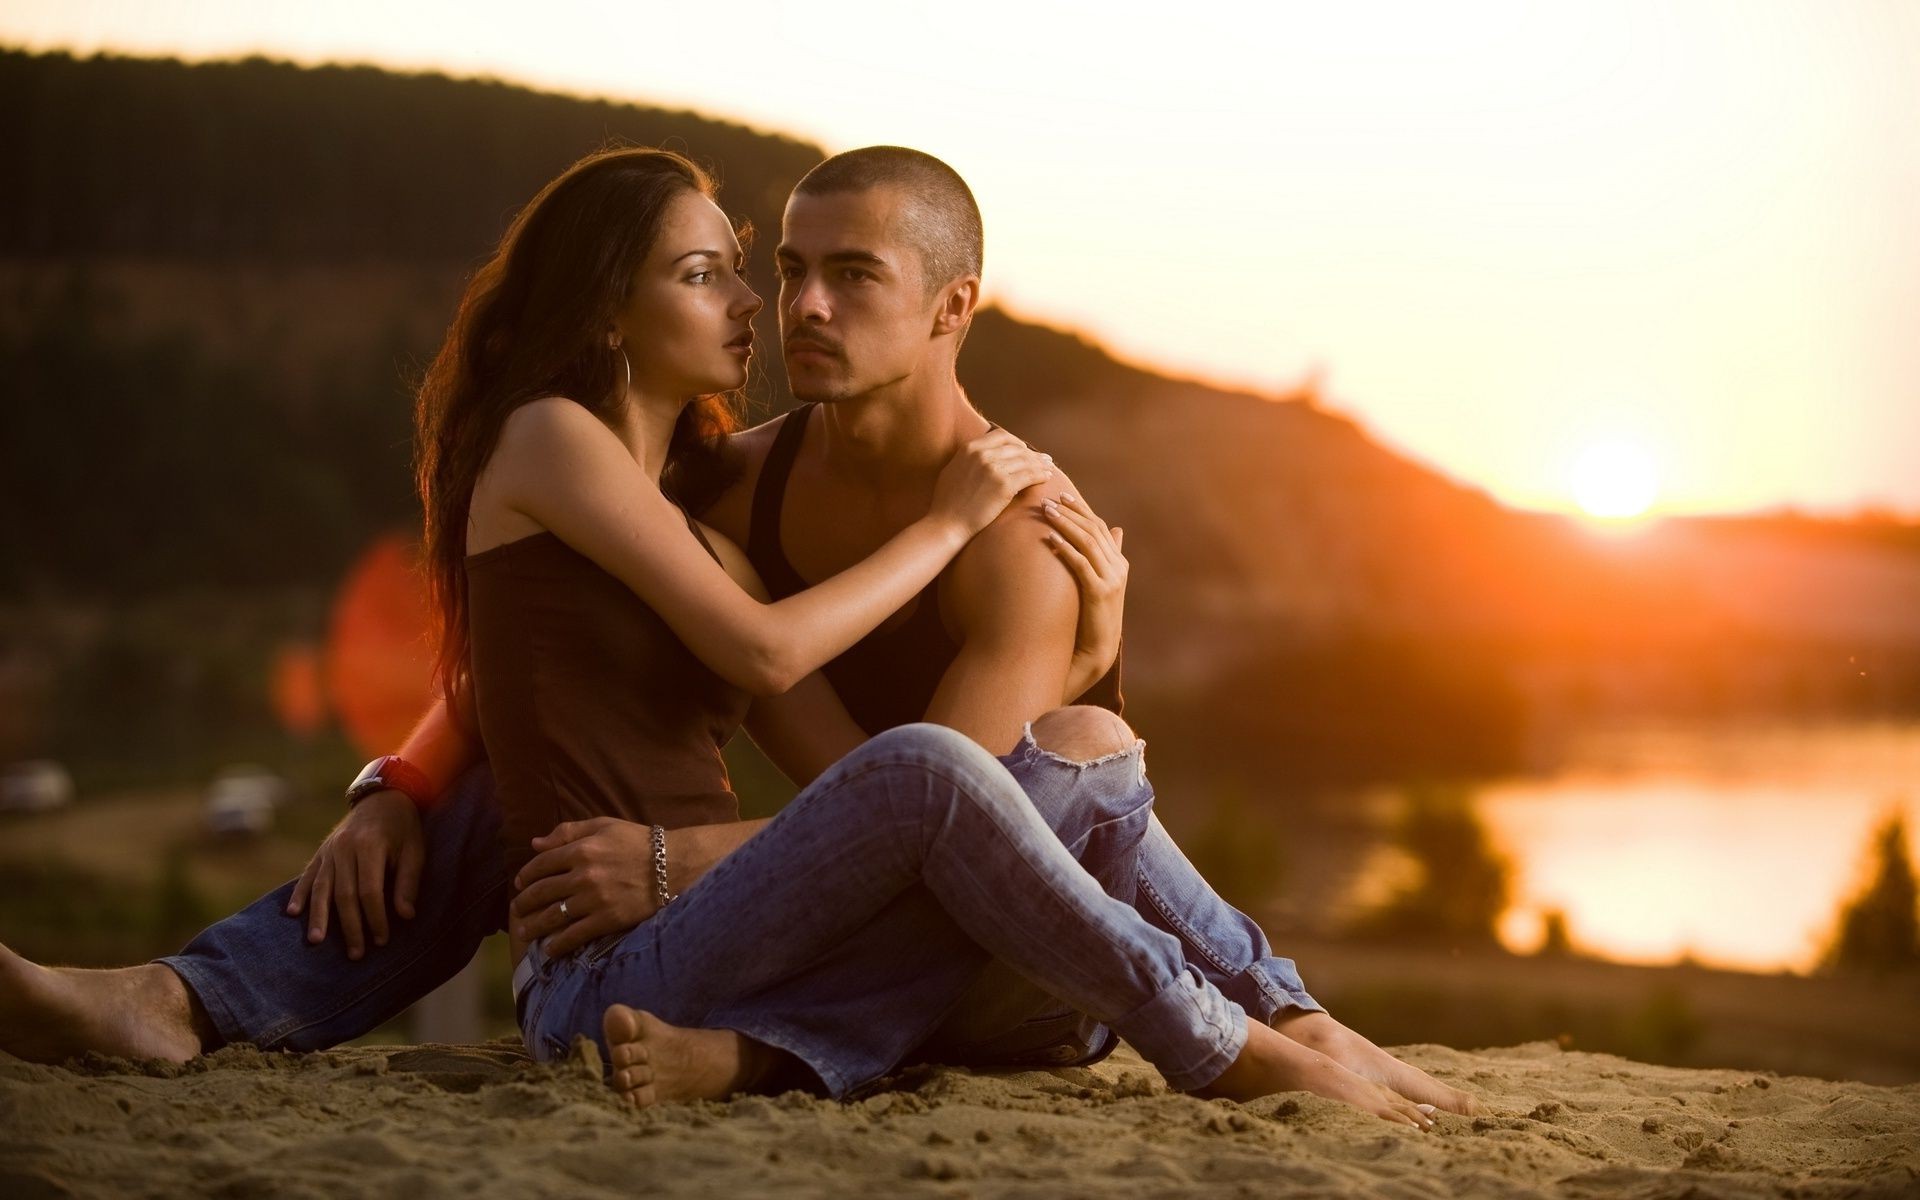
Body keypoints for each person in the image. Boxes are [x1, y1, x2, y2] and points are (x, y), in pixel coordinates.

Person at [0, 145, 1474, 1125]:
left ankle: (809, 1054)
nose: (792, 306)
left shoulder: (1010, 538)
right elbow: (583, 653)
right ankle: (181, 999)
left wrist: (688, 854)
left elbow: (921, 789)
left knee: (1073, 756)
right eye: (764, 270)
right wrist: (402, 782)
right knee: (1040, 763)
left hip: (861, 925)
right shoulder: (681, 477)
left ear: (953, 309)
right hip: (678, 937)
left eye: (846, 280)